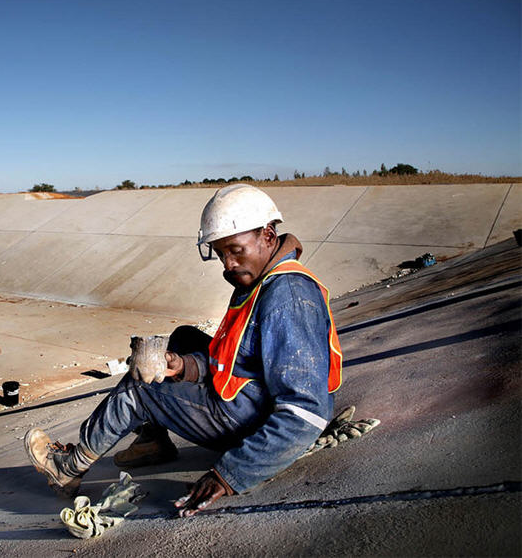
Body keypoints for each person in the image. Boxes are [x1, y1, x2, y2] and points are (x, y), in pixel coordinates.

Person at [24, 184, 343, 517]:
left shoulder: (287, 297)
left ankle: (69, 468)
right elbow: (239, 356)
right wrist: (185, 366)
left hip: (255, 424)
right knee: (184, 338)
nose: (228, 264)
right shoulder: (264, 277)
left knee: (140, 388)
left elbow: (304, 411)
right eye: (221, 254)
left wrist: (229, 474)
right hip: (253, 399)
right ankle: (153, 440)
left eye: (235, 250)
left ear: (267, 235)